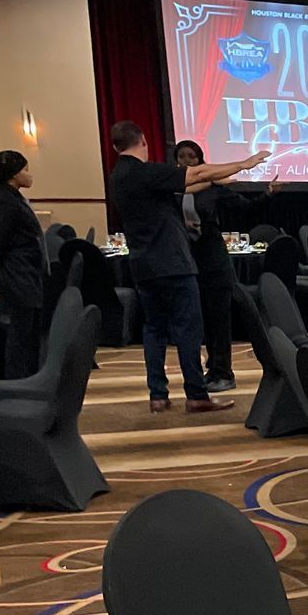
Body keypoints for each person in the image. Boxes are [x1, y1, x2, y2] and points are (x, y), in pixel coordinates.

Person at [105, 121, 266, 413]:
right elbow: (199, 172)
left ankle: (158, 395)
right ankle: (196, 394)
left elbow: (193, 184)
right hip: (173, 263)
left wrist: (218, 180)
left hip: (142, 265)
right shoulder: (146, 171)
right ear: (143, 140)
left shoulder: (120, 176)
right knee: (188, 329)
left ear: (116, 146)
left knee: (153, 330)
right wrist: (244, 163)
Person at [173, 139, 277, 393]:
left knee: (218, 315)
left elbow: (246, 209)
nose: (187, 161)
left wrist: (268, 194)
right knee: (199, 317)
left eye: (192, 157)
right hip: (186, 258)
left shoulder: (215, 188)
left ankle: (224, 372)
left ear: (200, 160)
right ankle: (210, 369)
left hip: (212, 256)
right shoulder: (171, 189)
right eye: (182, 157)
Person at [0, 150, 47, 378]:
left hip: (24, 270)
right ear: (12, 174)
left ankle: (30, 376)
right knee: (21, 333)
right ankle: (20, 380)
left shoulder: (10, 196)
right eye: (25, 170)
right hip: (17, 272)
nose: (29, 175)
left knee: (28, 331)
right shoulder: (5, 200)